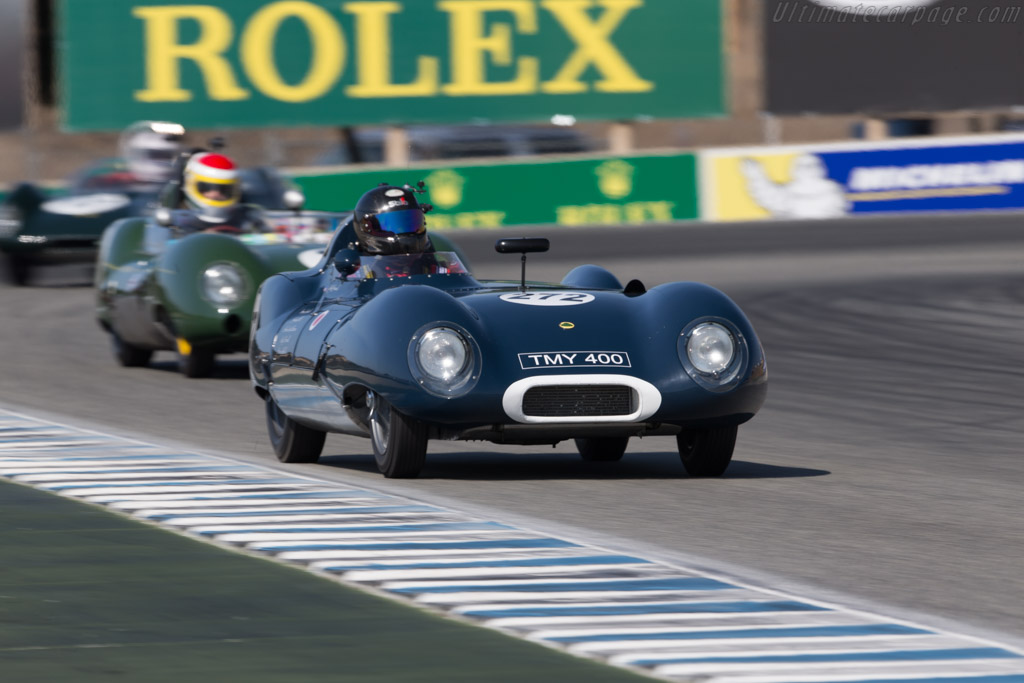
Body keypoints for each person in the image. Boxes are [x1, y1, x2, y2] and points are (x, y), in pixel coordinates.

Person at [349, 184, 461, 278]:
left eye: (410, 222)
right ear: (366, 227)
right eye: (389, 225)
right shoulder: (357, 277)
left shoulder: (442, 272)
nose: (403, 233)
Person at [169, 151, 268, 234]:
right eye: (207, 188)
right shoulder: (175, 222)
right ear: (190, 185)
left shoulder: (247, 219)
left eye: (223, 189)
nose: (215, 194)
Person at [76, 121, 186, 192]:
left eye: (166, 155)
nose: (161, 160)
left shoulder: (185, 184)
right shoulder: (105, 181)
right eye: (155, 155)